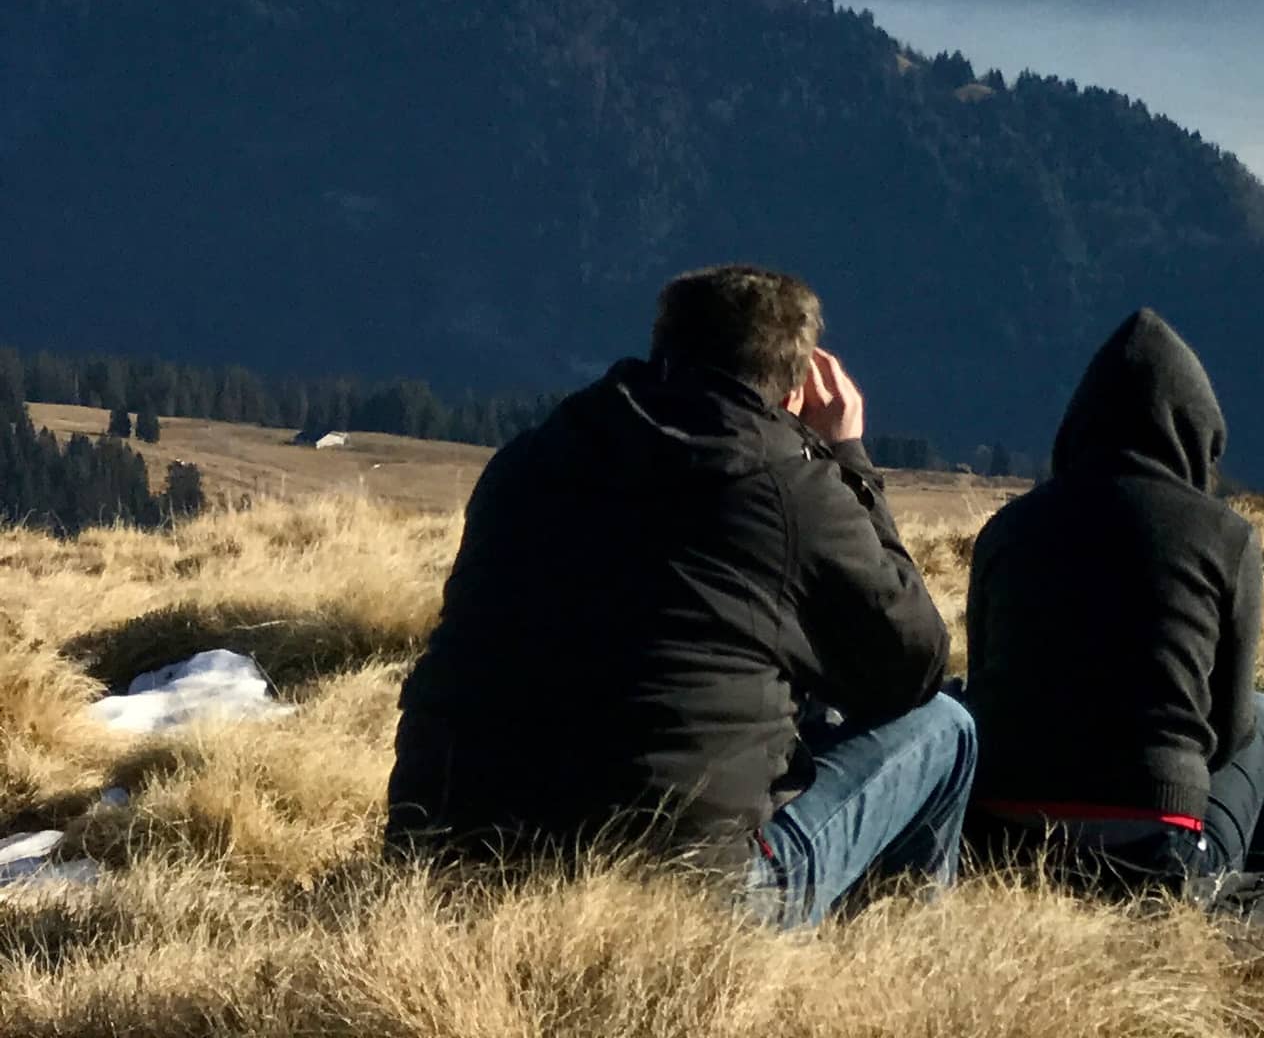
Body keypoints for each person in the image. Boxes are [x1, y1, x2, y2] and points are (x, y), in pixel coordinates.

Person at [386, 266, 974, 927]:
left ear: (662, 345)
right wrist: (849, 461)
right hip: (680, 900)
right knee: (944, 728)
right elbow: (911, 664)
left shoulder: (531, 458)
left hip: (449, 860)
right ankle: (885, 968)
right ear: (798, 383)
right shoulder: (789, 489)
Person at [961, 310, 1264, 904]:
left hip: (1002, 839)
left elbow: (983, 686)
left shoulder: (1005, 530)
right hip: (1151, 849)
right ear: (1196, 436)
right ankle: (1257, 897)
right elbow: (1231, 725)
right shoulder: (1225, 536)